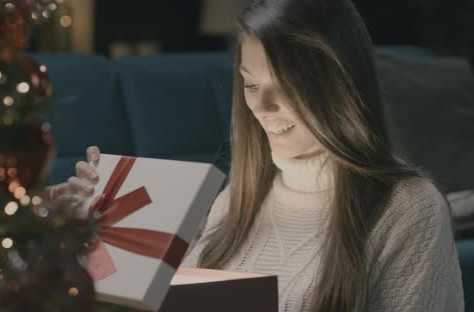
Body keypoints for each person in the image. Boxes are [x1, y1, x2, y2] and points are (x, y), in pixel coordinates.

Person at [45, 0, 464, 311]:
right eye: (250, 84)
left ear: (338, 83)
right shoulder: (236, 199)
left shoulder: (408, 208)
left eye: (284, 84)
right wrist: (86, 239)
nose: (261, 107)